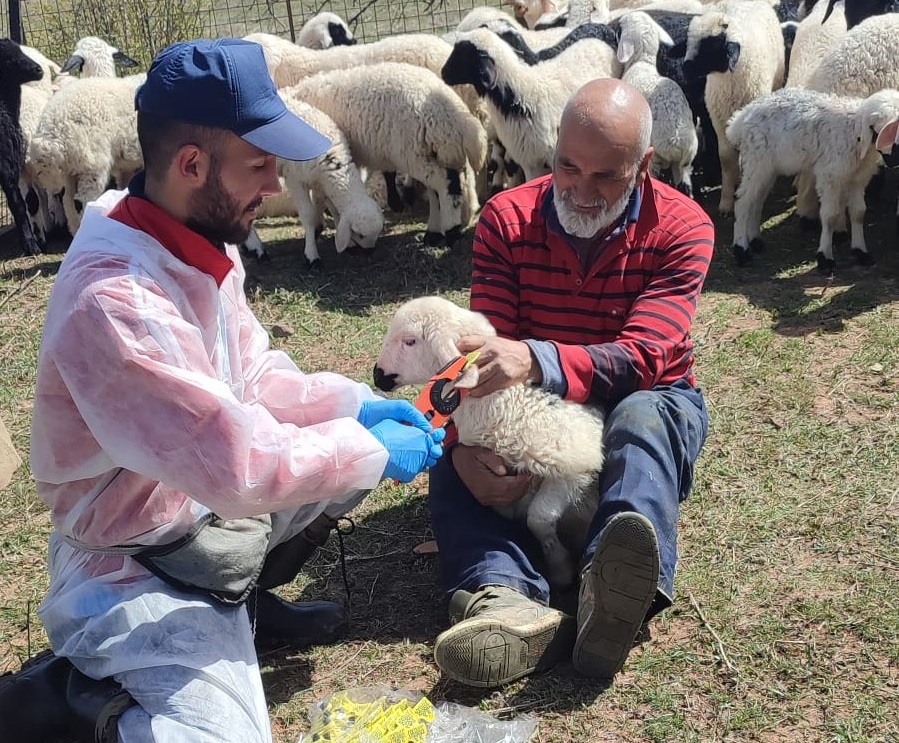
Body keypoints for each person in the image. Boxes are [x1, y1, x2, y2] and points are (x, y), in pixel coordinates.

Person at [0, 38, 444, 743]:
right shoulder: (117, 302)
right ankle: (65, 706)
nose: (273, 184)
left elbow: (252, 373)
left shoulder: (192, 234)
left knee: (341, 460)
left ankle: (247, 604)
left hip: (192, 495)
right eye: (259, 165)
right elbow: (238, 464)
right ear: (192, 164)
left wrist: (351, 406)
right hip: (132, 548)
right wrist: (361, 444)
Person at [429, 78, 714, 688]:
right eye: (568, 167)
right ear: (553, 148)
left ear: (645, 165)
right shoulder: (507, 218)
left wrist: (536, 360)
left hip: (644, 393)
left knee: (641, 422)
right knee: (459, 455)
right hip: (540, 406)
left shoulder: (683, 227)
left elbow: (644, 356)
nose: (582, 191)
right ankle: (501, 599)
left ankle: (613, 586)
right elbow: (482, 354)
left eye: (607, 176)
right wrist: (464, 448)